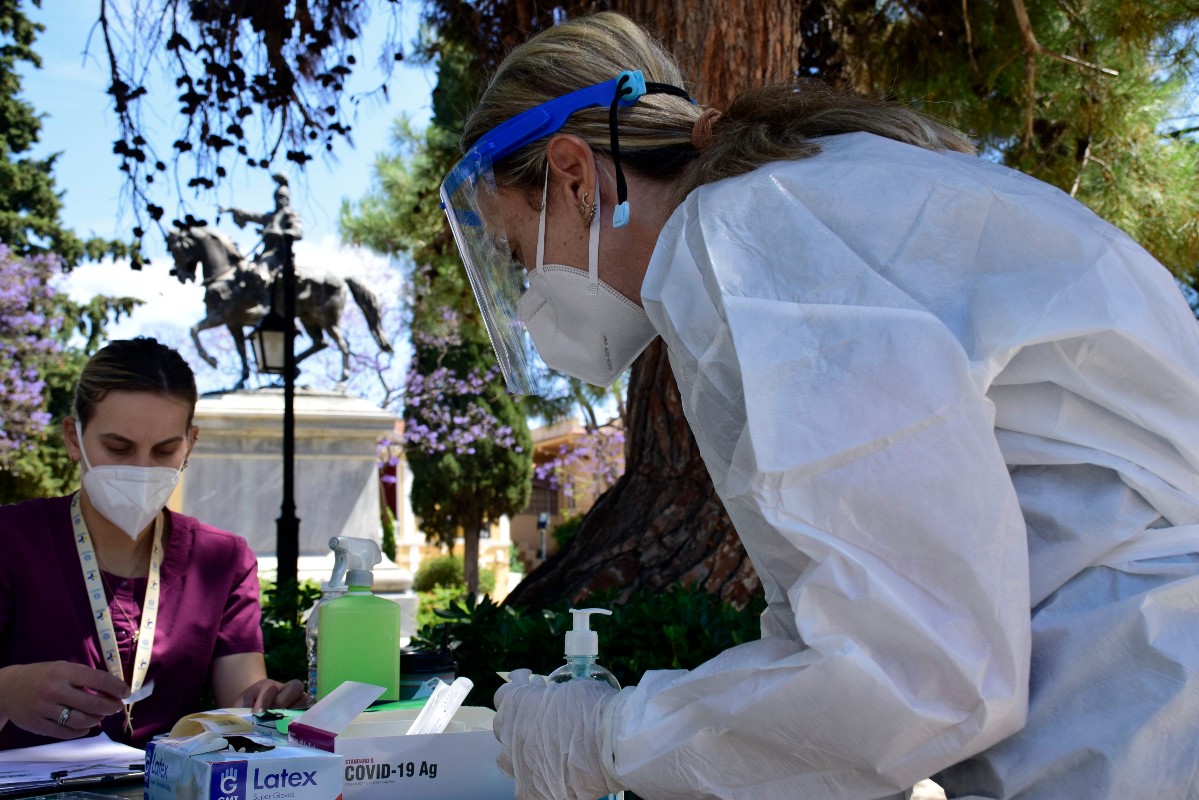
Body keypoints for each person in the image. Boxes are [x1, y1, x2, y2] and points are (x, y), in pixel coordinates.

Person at [440, 12, 1199, 800]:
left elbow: (915, 671)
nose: (529, 288)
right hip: (1119, 683)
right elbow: (853, 616)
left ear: (573, 175)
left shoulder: (750, 245)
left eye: (518, 250)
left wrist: (608, 739)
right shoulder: (796, 204)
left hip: (1134, 708)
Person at [0, 337, 306, 749]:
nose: (142, 469)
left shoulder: (224, 560)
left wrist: (266, 705)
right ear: (74, 439)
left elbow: (240, 702)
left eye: (164, 450)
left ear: (190, 445)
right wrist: (7, 691)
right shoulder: (11, 540)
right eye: (118, 447)